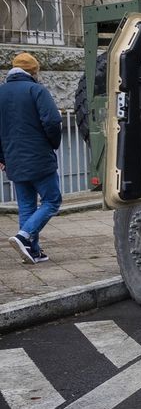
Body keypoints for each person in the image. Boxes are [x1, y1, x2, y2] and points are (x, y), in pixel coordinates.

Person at [0, 52, 62, 264]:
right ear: (33, 72)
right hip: (38, 158)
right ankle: (23, 236)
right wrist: (52, 144)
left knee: (27, 206)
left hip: (13, 160)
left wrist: (2, 157)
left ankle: (32, 251)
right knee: (52, 201)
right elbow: (52, 122)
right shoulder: (36, 90)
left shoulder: (1, 93)